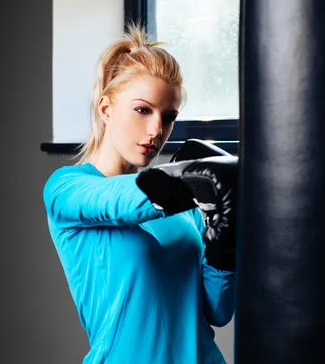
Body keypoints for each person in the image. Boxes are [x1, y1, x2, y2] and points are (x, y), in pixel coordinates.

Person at [42, 24, 237, 364]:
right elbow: (119, 203)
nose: (156, 131)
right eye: (143, 110)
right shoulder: (66, 189)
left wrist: (223, 241)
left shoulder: (185, 200)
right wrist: (195, 181)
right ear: (106, 109)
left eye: (168, 116)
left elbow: (217, 311)